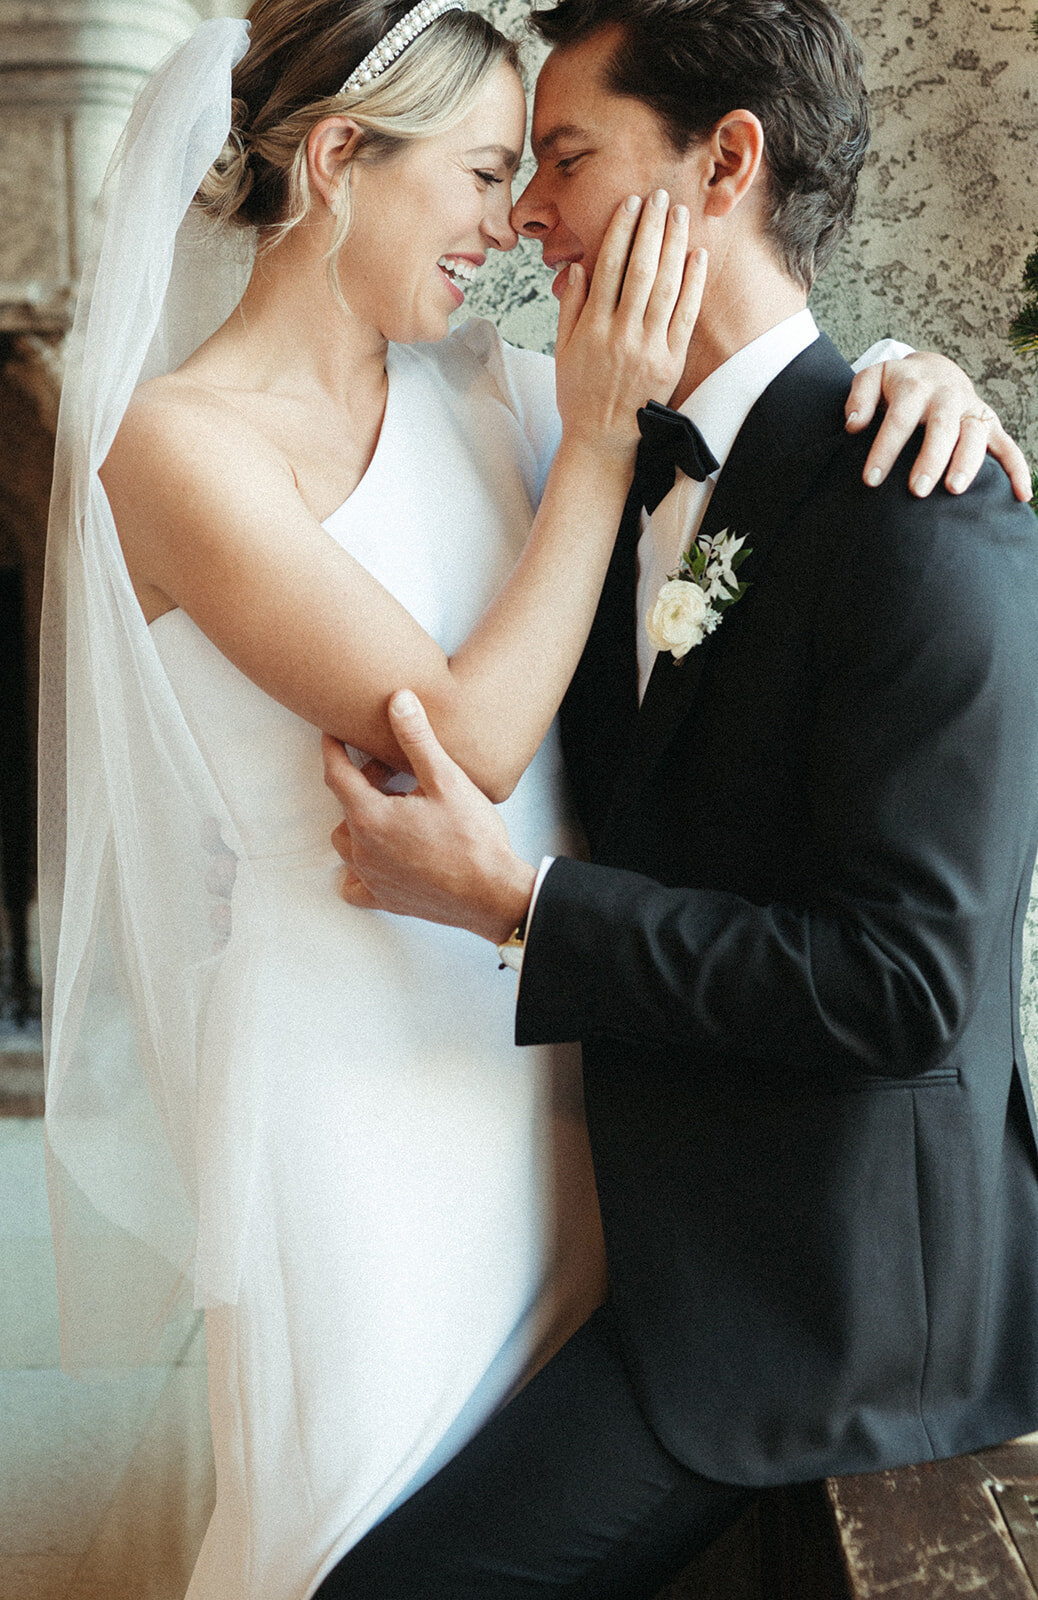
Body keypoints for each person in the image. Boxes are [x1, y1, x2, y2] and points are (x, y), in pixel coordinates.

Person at [38, 2, 1022, 1598]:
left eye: (546, 164)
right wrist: (605, 438)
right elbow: (472, 739)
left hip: (583, 1119)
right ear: (343, 157)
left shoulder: (501, 396)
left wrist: (924, 375)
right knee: (337, 1538)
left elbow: (766, 415)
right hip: (356, 1092)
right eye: (499, 166)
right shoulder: (209, 444)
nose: (517, 221)